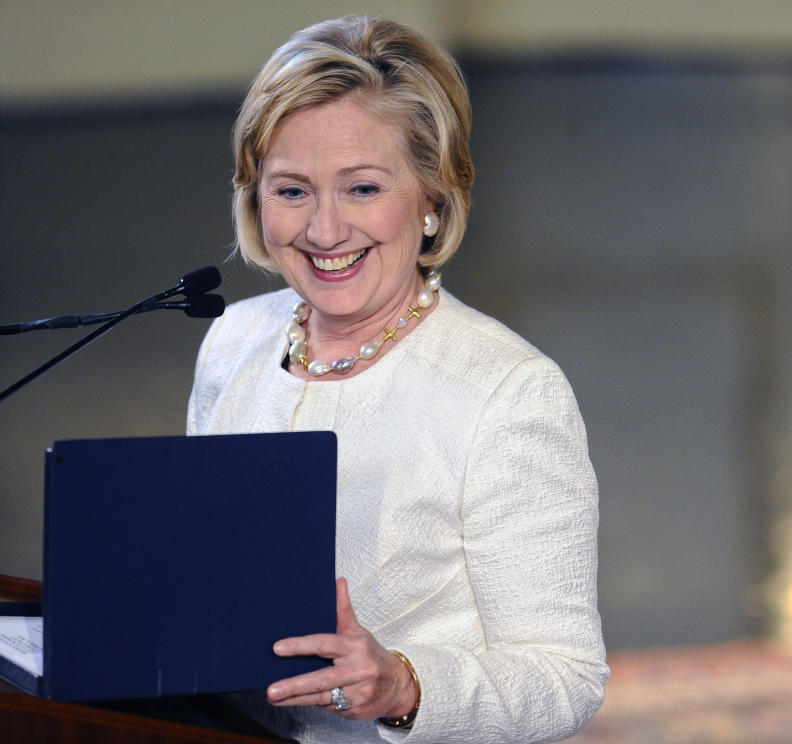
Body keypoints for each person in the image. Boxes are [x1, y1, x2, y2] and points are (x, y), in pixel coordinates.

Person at [187, 15, 609, 743]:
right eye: (291, 191)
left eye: (361, 188)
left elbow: (564, 676)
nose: (324, 231)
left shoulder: (508, 393)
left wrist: (403, 686)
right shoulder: (234, 340)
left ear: (433, 197)